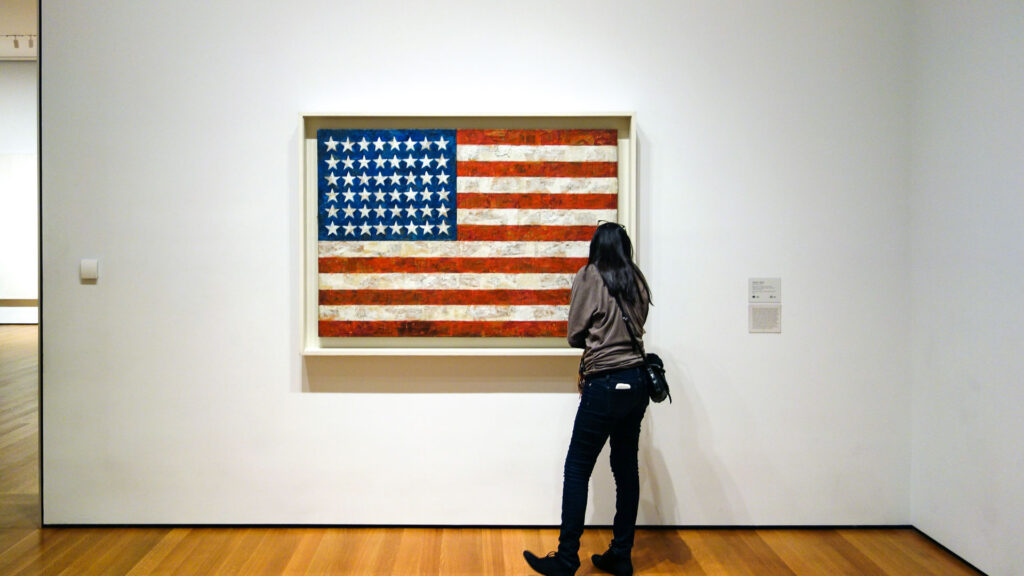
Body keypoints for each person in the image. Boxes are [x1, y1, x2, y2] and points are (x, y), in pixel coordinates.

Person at [524, 222, 653, 576]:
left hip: (604, 384)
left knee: (578, 467)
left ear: (597, 247)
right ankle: (621, 554)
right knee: (626, 469)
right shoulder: (637, 280)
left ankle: (567, 559)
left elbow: (574, 333)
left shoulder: (590, 276)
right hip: (637, 381)